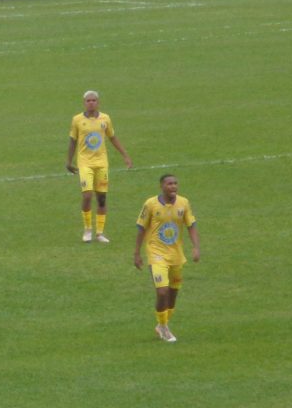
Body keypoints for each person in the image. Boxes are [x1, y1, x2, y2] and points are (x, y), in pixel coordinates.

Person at [133, 174, 200, 343]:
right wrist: (136, 253)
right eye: (169, 184)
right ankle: (163, 328)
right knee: (162, 291)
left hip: (176, 255)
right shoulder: (150, 204)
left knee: (173, 293)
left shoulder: (183, 203)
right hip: (156, 255)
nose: (173, 186)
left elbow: (191, 225)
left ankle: (162, 324)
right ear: (162, 186)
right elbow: (141, 228)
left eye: (175, 183)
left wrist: (196, 247)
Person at [67, 90, 133, 244]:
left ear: (98, 102)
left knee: (102, 198)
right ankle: (88, 229)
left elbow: (112, 137)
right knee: (87, 195)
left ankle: (100, 233)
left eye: (93, 100)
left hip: (102, 163)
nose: (91, 103)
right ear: (84, 103)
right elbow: (72, 141)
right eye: (88, 100)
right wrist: (69, 161)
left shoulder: (105, 119)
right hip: (85, 163)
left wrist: (125, 155)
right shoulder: (77, 120)